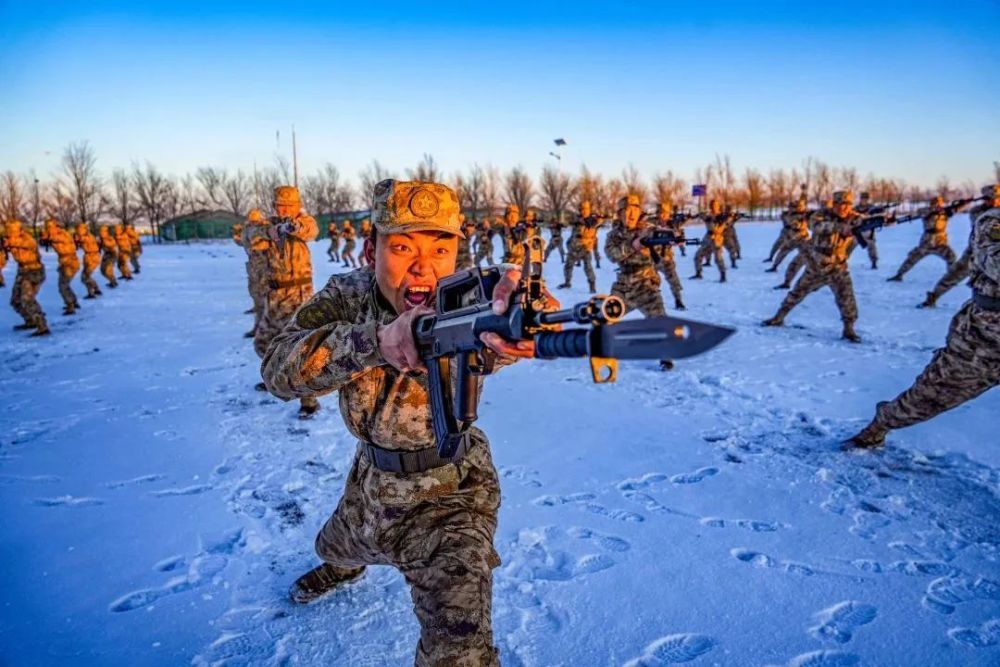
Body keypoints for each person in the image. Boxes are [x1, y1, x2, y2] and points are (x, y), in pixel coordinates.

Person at [263, 179, 544, 666]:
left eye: (441, 248)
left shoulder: (473, 297)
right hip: (371, 485)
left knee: (458, 651)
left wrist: (528, 323)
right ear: (371, 249)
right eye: (401, 246)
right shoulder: (348, 296)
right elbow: (279, 371)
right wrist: (375, 341)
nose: (423, 265)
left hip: (451, 495)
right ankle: (343, 568)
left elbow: (505, 319)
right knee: (334, 546)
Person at [848, 184, 1000, 448]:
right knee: (929, 398)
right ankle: (880, 425)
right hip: (984, 340)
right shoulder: (991, 221)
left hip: (942, 245)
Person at [251, 186, 319, 417]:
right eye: (281, 205)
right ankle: (275, 378)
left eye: (289, 206)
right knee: (262, 344)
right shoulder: (266, 226)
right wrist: (274, 231)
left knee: (300, 349)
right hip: (274, 298)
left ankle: (308, 400)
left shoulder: (303, 221)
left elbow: (311, 230)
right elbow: (249, 237)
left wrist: (294, 227)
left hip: (298, 298)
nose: (285, 210)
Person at [762, 191, 861, 342]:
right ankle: (778, 317)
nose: (844, 208)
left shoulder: (853, 217)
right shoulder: (819, 215)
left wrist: (882, 220)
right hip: (817, 266)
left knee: (847, 299)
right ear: (834, 204)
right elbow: (818, 227)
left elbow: (864, 221)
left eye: (847, 205)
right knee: (796, 293)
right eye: (840, 204)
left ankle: (849, 329)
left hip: (838, 267)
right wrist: (841, 227)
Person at [605, 194, 673, 369]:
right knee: (604, 320)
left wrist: (669, 239)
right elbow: (613, 256)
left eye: (634, 210)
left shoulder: (649, 230)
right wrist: (634, 245)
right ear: (619, 214)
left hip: (645, 286)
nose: (630, 214)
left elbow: (662, 248)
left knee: (660, 321)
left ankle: (666, 357)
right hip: (623, 287)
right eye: (626, 211)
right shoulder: (613, 235)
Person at [887, 195, 958, 282]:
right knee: (912, 258)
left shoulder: (946, 212)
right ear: (931, 204)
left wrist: (961, 204)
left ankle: (951, 278)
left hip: (940, 242)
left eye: (939, 204)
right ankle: (899, 275)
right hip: (927, 242)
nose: (938, 206)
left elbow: (956, 209)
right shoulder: (925, 211)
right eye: (935, 204)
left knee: (951, 257)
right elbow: (915, 214)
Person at [4, 219, 50, 336]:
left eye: (12, 231)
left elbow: (27, 244)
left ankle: (42, 326)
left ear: (20, 231)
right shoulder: (10, 239)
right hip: (22, 271)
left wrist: (10, 242)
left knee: (27, 300)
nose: (9, 233)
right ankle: (30, 321)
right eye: (8, 231)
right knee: (15, 301)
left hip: (34, 271)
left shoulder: (27, 239)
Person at [239, 209, 270, 339]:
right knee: (255, 295)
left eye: (254, 218)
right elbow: (244, 243)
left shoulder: (265, 228)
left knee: (265, 298)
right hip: (253, 266)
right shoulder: (247, 228)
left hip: (265, 266)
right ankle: (259, 326)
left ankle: (264, 328)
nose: (252, 220)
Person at [41, 219, 81, 315]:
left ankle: (70, 306)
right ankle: (73, 301)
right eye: (48, 227)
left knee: (63, 286)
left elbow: (62, 239)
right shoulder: (54, 234)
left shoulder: (63, 234)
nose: (49, 229)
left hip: (70, 263)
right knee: (65, 284)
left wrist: (50, 236)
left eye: (51, 227)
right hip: (64, 263)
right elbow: (46, 238)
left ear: (56, 226)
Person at [558, 200, 598, 292]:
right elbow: (570, 221)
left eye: (585, 209)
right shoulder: (577, 218)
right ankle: (567, 282)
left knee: (588, 267)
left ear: (589, 209)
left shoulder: (592, 219)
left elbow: (596, 222)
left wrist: (589, 221)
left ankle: (592, 285)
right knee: (568, 266)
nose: (583, 211)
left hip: (585, 247)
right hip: (573, 247)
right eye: (581, 209)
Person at [690, 199, 727, 282]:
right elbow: (700, 215)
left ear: (718, 206)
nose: (714, 207)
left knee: (718, 258)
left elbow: (722, 228)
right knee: (698, 255)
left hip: (717, 238)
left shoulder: (721, 216)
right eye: (712, 205)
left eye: (715, 205)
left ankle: (723, 275)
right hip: (707, 237)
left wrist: (718, 224)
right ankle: (698, 273)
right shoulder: (708, 215)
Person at [73, 223, 102, 298]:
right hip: (89, 257)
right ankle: (95, 289)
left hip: (92, 257)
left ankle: (92, 292)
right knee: (86, 276)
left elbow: (82, 239)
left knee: (85, 277)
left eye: (79, 229)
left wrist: (77, 238)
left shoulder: (87, 236)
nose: (78, 231)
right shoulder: (87, 235)